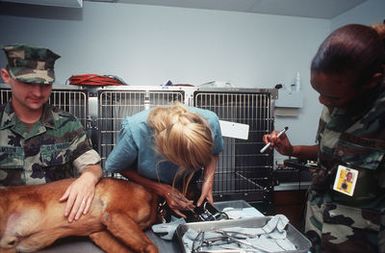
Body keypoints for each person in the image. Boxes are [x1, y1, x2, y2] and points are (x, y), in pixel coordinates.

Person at [263, 23, 385, 253]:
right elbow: (328, 151)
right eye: (317, 91)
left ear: (371, 82)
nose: (322, 102)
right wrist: (292, 150)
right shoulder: (335, 102)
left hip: (362, 240)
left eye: (332, 97)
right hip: (319, 229)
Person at [0, 44, 103, 223]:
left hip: (57, 219)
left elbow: (91, 164)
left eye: (45, 84)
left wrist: (88, 177)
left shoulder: (67, 124)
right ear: (7, 76)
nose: (38, 92)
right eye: (29, 83)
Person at [105, 102, 224, 218]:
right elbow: (119, 167)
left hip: (186, 184)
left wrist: (208, 181)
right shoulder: (135, 130)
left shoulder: (210, 121)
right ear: (165, 152)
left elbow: (214, 153)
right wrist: (161, 189)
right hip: (147, 187)